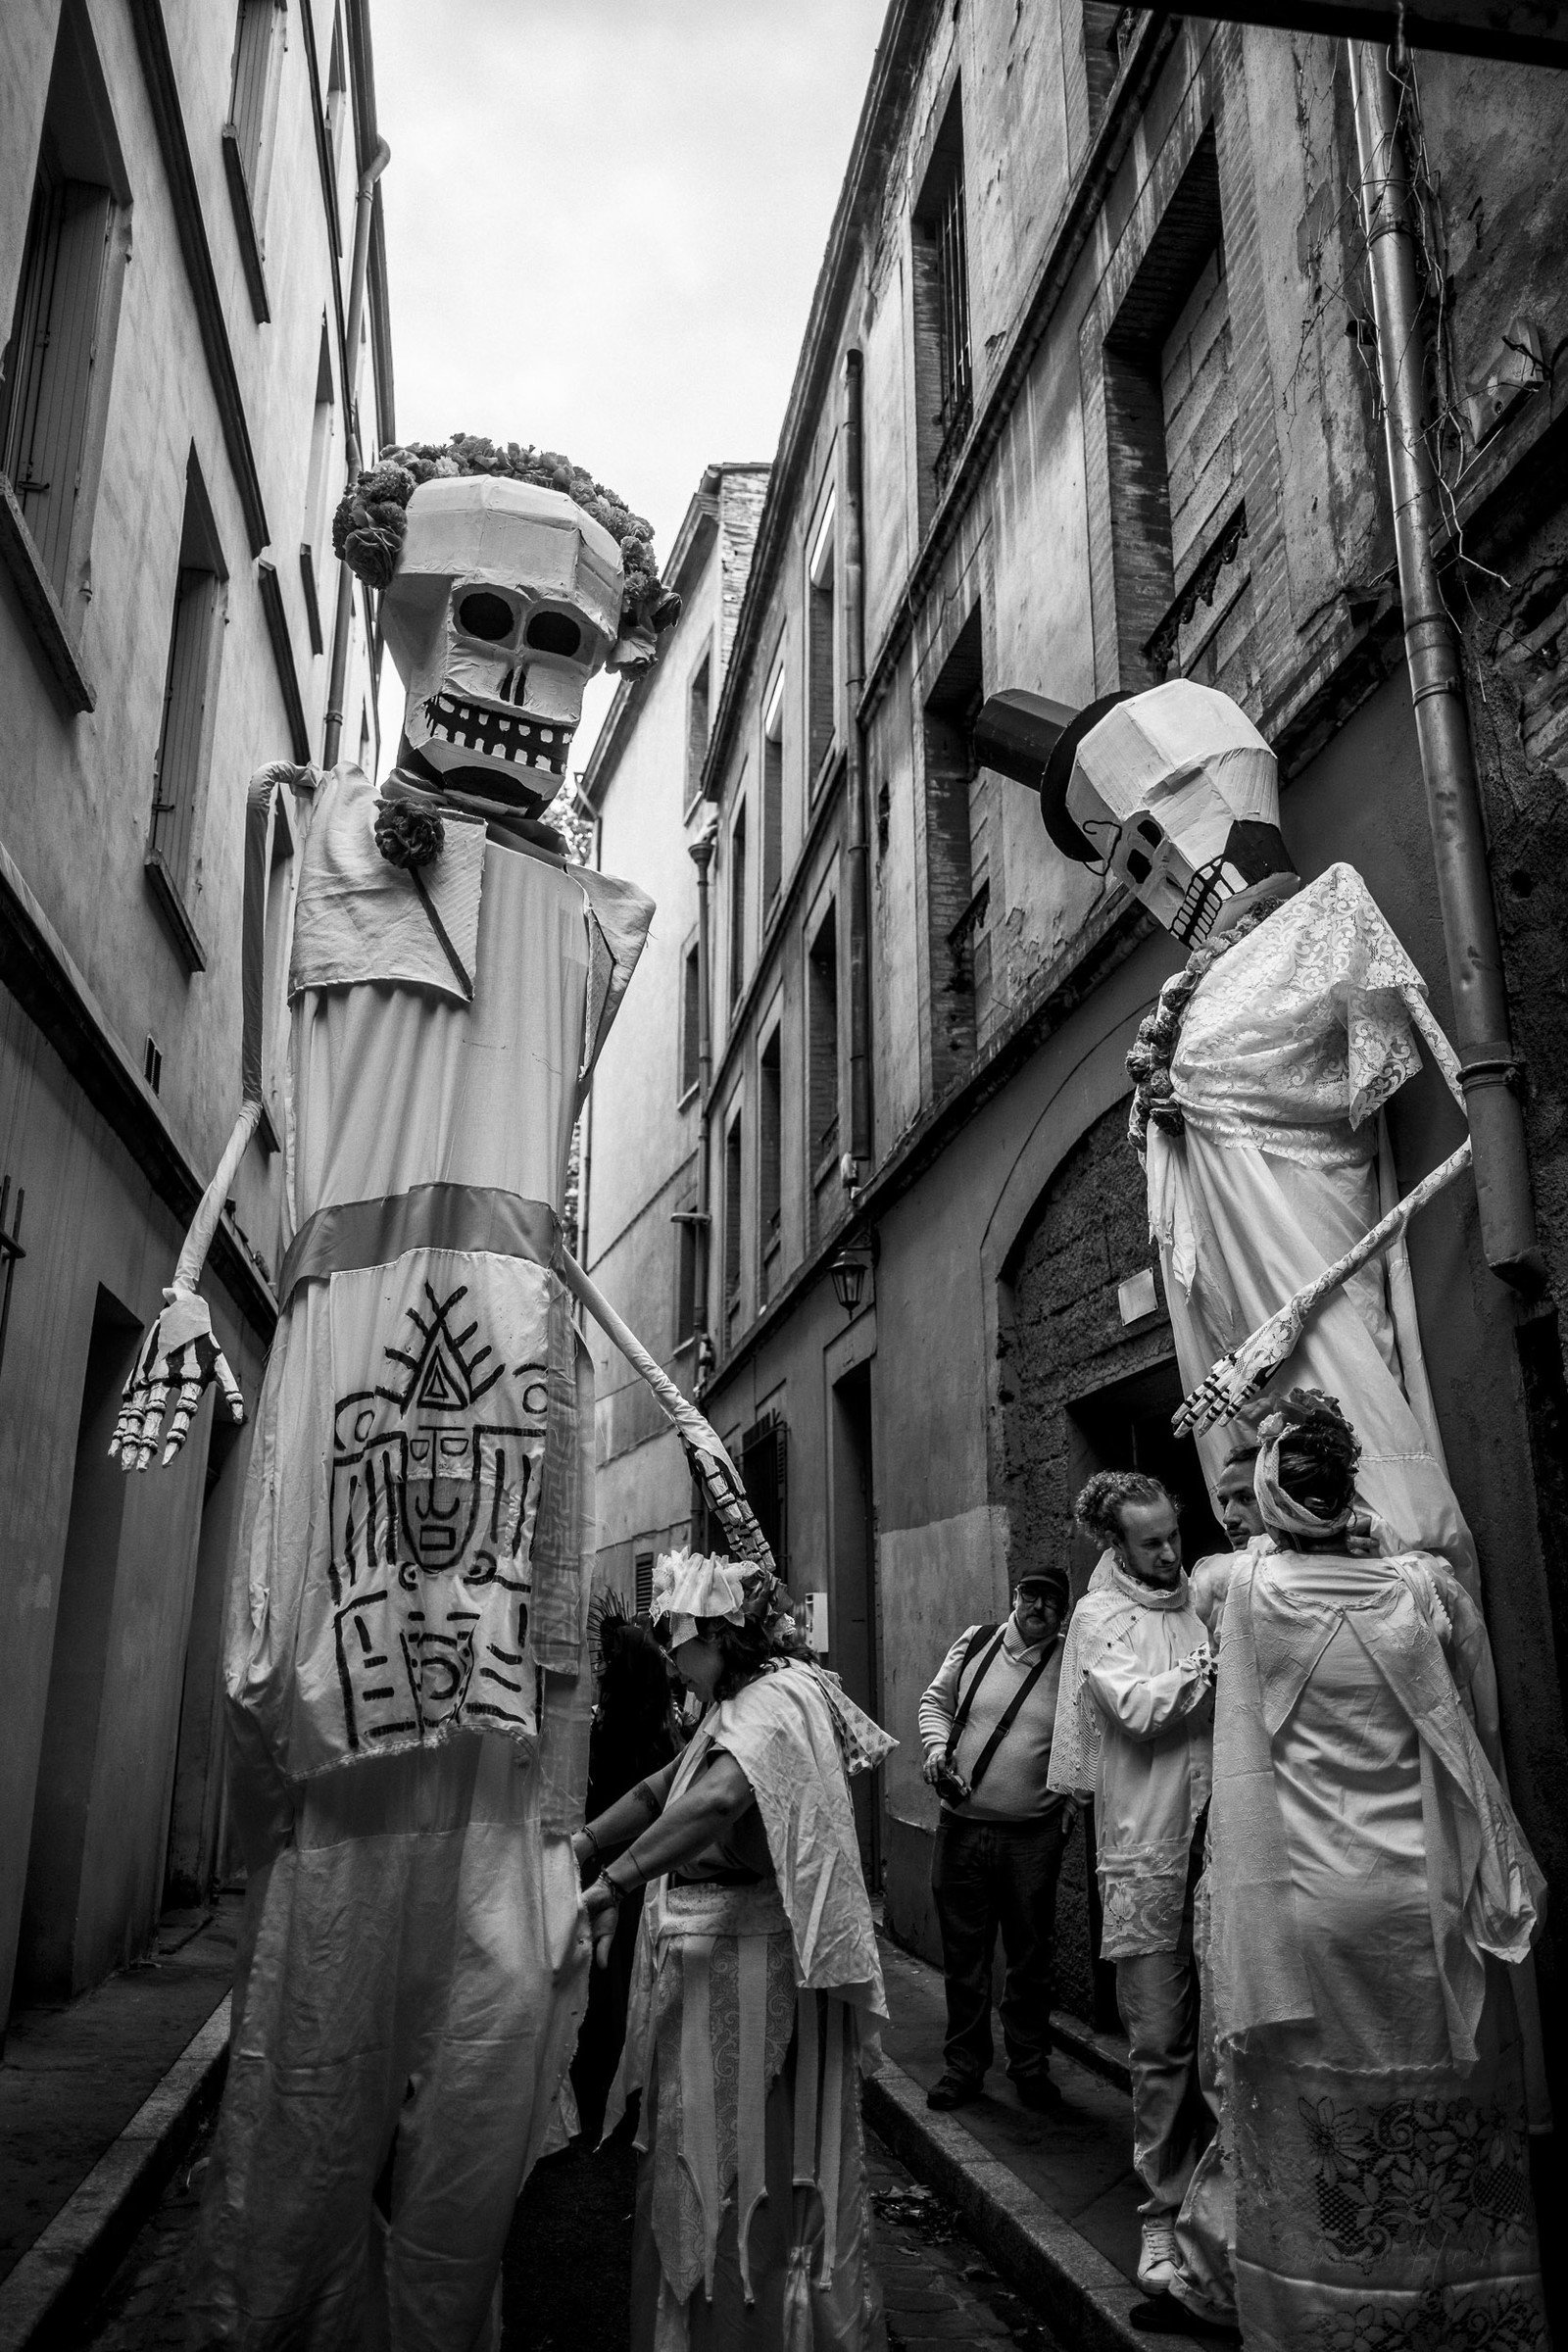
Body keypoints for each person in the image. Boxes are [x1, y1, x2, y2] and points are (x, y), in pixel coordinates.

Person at [1206, 1390, 1548, 2350]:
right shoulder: (1425, 1590)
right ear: (1350, 1486)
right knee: (1441, 2119)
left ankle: (1328, 2321)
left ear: (1268, 1494)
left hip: (1306, 1908)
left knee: (1324, 2129)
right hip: (1427, 1905)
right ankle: (1460, 2310)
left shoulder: (1237, 1590)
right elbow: (1480, 1721)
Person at [586, 1549, 894, 2352]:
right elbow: (665, 1789)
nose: (670, 1658)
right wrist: (578, 1847)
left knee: (746, 2169)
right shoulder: (734, 1705)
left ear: (720, 1636)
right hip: (718, 1973)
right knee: (702, 2158)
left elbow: (720, 1800)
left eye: (679, 1640)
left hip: (759, 1979)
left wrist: (611, 1883)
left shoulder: (776, 1699)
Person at [1049, 1474, 1214, 2298]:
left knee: (1224, 2040)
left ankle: (1222, 2214)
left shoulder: (1202, 1600)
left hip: (1218, 1848)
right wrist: (1214, 1667)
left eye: (1173, 1535)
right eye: (1151, 1543)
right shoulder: (1098, 1617)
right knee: (1160, 2048)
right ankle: (1162, 2213)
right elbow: (1140, 1711)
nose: (1170, 1553)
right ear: (1114, 1545)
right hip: (1147, 1853)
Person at [916, 1568, 1072, 2113]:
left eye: (1052, 1601)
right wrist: (937, 1748)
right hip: (960, 1828)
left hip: (1032, 1835)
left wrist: (1073, 1800)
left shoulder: (1071, 1660)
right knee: (965, 1960)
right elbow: (935, 1703)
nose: (1039, 1607)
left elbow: (1088, 1736)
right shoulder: (977, 1642)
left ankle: (1030, 2067)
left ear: (1063, 1613)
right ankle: (963, 2069)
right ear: (1015, 1597)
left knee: (1030, 1959)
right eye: (1031, 1595)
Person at [571, 1607, 680, 2146]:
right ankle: (632, 2075)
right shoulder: (667, 1727)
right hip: (649, 1863)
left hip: (608, 1861)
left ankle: (602, 2074)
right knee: (634, 1970)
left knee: (607, 1972)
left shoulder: (602, 1728)